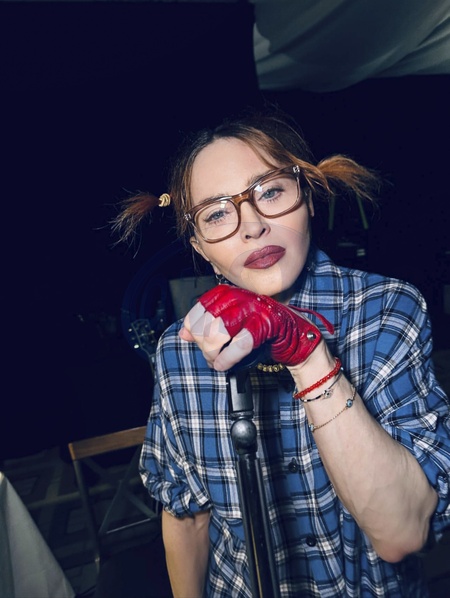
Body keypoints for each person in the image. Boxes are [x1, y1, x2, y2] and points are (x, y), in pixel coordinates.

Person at [114, 107, 450, 597]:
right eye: (217, 213)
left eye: (270, 191)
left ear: (307, 197)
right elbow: (187, 518)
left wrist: (309, 357)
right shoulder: (179, 353)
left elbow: (403, 533)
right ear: (200, 247)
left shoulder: (386, 311)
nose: (251, 226)